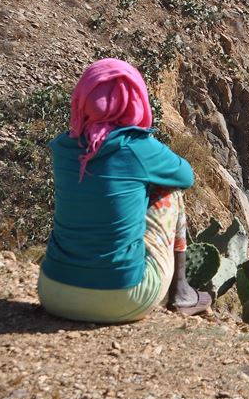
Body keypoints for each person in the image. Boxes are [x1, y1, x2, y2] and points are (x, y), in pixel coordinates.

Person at [37, 58, 211, 323]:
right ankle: (181, 291)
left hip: (53, 293)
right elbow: (185, 176)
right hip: (123, 298)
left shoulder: (63, 146)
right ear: (136, 101)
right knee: (170, 191)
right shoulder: (137, 147)